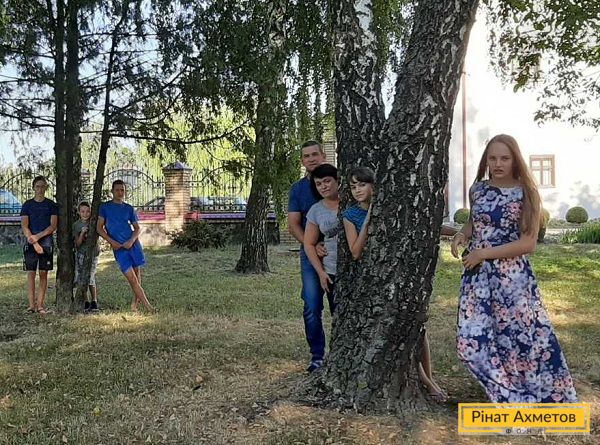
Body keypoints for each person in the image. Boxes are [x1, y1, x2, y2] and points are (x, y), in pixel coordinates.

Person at [451, 134, 577, 403]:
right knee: (471, 341)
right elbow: (475, 223)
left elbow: (528, 243)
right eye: (493, 158)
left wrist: (483, 253)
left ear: (515, 160)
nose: (498, 164)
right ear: (486, 160)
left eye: (505, 158)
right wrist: (461, 235)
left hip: (512, 280)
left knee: (517, 340)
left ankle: (522, 396)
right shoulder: (478, 190)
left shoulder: (526, 192)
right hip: (477, 279)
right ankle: (507, 392)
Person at [342, 166, 446, 401]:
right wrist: (368, 221)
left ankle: (430, 378)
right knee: (397, 329)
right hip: (373, 279)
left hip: (401, 274)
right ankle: (426, 381)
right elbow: (355, 251)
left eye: (362, 185)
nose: (357, 190)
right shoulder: (350, 215)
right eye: (353, 186)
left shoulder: (391, 206)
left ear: (374, 186)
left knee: (417, 326)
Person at [288, 140, 329, 373]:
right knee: (312, 306)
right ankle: (317, 356)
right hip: (310, 255)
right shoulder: (298, 189)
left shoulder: (336, 183)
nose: (311, 159)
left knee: (341, 304)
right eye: (306, 156)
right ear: (302, 161)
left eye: (315, 154)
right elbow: (293, 224)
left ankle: (342, 353)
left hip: (338, 253)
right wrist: (311, 245)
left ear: (324, 155)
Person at [97, 180, 154, 312]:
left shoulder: (128, 208)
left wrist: (131, 241)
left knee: (137, 273)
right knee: (132, 279)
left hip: (133, 245)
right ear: (112, 191)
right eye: (117, 190)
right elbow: (99, 228)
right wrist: (111, 242)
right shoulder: (104, 207)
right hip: (119, 248)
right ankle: (149, 307)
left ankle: (135, 304)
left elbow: (137, 228)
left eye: (122, 190)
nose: (120, 192)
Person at [303, 164, 341, 340]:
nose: (323, 186)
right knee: (338, 315)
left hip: (358, 268)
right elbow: (309, 244)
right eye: (318, 184)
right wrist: (321, 272)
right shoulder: (316, 210)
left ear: (337, 180)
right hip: (332, 271)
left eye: (327, 181)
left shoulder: (352, 202)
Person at [20, 176, 58, 315]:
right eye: (38, 186)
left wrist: (38, 237)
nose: (40, 189)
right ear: (33, 188)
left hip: (46, 242)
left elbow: (52, 226)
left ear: (46, 188)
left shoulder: (51, 205)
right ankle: (31, 305)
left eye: (43, 186)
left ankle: (40, 305)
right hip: (31, 241)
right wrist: (34, 241)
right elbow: (25, 226)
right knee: (31, 273)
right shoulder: (27, 205)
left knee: (43, 273)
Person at [73, 201, 101, 312]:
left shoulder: (94, 223)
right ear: (79, 212)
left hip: (93, 253)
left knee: (91, 277)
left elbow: (96, 238)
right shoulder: (76, 225)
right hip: (81, 253)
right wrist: (82, 233)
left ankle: (94, 301)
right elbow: (77, 244)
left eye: (88, 211)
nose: (85, 214)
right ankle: (86, 301)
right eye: (83, 211)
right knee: (82, 277)